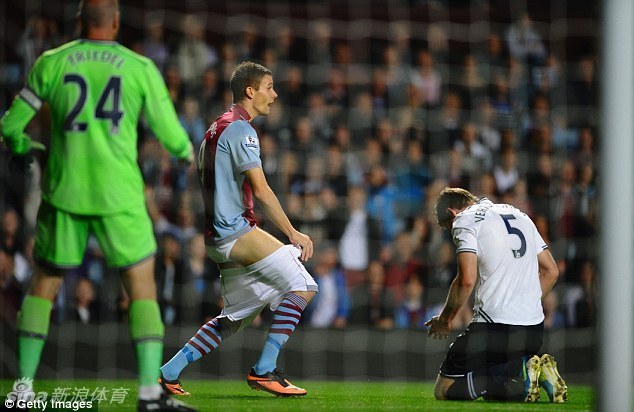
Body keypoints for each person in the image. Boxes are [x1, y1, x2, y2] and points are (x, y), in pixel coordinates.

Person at [0, 1, 196, 410]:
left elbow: (9, 126)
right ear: (117, 22)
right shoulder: (139, 67)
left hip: (64, 194)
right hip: (119, 197)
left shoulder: (51, 62)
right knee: (142, 287)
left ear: (78, 22)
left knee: (43, 288)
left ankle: (22, 390)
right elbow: (172, 135)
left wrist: (23, 147)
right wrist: (184, 155)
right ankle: (148, 394)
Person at [159, 61, 318, 398]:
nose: (274, 95)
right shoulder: (241, 129)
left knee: (234, 318)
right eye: (269, 87)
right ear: (250, 90)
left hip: (217, 238)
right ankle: (264, 371)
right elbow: (260, 190)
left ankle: (169, 372)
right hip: (235, 231)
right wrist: (293, 232)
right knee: (303, 285)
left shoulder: (214, 129)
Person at [425, 187, 567, 403]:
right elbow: (551, 271)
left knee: (444, 390)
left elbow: (466, 280)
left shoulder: (464, 220)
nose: (450, 231)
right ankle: (535, 373)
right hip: (534, 331)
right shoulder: (520, 214)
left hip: (492, 329)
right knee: (495, 393)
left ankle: (524, 377)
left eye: (447, 227)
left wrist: (444, 320)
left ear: (452, 212)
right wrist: (524, 304)